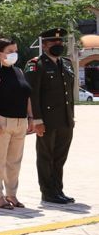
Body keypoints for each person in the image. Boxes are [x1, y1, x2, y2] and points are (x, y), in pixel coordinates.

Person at [25, 27, 76, 204]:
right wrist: (36, 120)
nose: (58, 44)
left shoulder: (67, 63)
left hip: (65, 120)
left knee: (60, 157)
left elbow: (69, 93)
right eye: (54, 42)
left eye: (60, 41)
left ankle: (58, 189)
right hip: (46, 120)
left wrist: (71, 117)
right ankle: (47, 192)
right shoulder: (36, 64)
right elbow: (32, 94)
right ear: (45, 45)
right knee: (46, 156)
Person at [0, 38, 32, 209]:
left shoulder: (19, 71)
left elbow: (26, 96)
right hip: (1, 121)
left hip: (20, 122)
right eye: (10, 51)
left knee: (14, 162)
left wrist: (30, 117)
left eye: (15, 50)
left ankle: (12, 194)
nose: (14, 54)